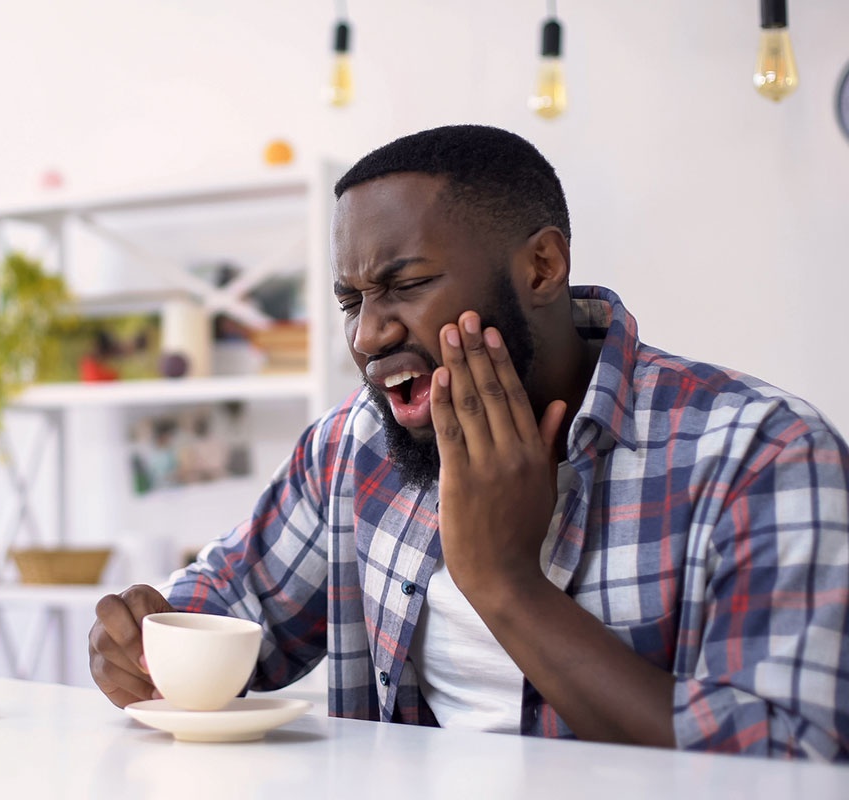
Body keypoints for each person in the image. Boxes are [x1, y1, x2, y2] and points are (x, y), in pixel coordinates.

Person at [88, 125, 849, 760]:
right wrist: (140, 637)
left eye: (406, 284)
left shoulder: (764, 455)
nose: (367, 334)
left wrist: (505, 584)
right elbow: (226, 604)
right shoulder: (355, 446)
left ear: (542, 267)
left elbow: (789, 766)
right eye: (352, 299)